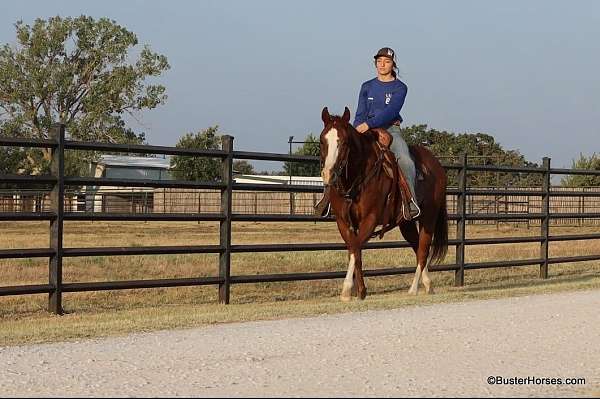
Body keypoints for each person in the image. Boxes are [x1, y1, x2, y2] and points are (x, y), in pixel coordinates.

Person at [315, 47, 421, 220]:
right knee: (339, 155)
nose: (382, 65)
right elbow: (360, 111)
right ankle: (327, 198)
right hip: (365, 129)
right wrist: (358, 127)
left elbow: (392, 110)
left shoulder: (400, 88)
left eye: (387, 62)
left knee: (405, 159)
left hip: (390, 129)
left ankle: (410, 202)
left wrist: (369, 124)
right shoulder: (367, 86)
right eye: (379, 61)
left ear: (393, 64)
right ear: (375, 64)